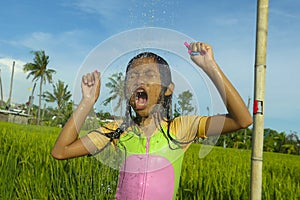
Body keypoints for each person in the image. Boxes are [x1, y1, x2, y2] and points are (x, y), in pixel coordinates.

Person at [51, 42, 252, 199]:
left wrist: (210, 66)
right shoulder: (117, 130)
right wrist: (87, 101)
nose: (139, 80)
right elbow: (60, 151)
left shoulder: (181, 128)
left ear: (168, 88)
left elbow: (241, 120)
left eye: (149, 74)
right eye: (133, 76)